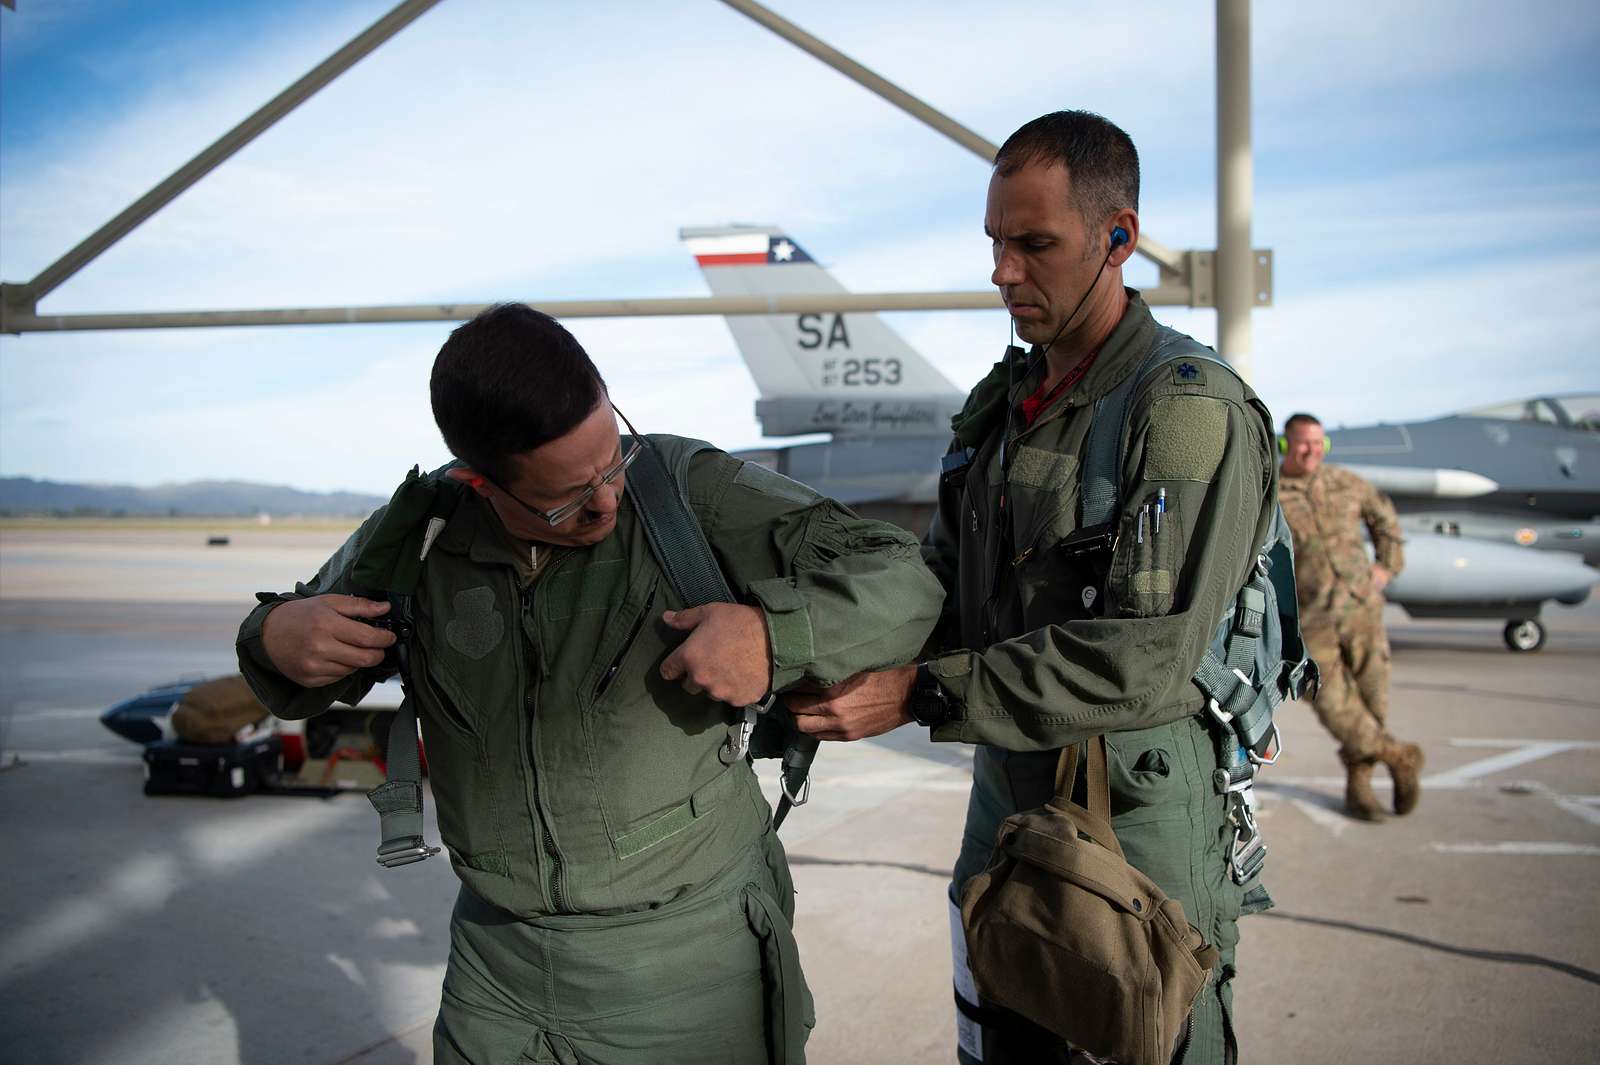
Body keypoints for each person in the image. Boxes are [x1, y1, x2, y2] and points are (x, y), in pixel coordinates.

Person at [235, 303, 944, 1065]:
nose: (608, 501)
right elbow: (290, 663)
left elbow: (903, 574)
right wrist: (278, 635)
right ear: (479, 481)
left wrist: (775, 637)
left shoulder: (683, 491)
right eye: (571, 496)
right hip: (495, 969)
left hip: (686, 965)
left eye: (614, 459)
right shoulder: (425, 532)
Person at [787, 111, 1281, 1064]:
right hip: (1004, 813)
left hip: (1135, 836)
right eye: (995, 243)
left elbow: (1152, 658)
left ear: (1119, 238)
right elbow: (941, 588)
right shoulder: (1004, 411)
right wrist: (795, 646)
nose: (1003, 272)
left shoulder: (1182, 409)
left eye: (1034, 244)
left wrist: (924, 692)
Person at [1277, 411, 1423, 820]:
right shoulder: (1271, 494)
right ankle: (1399, 756)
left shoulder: (1347, 483)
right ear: (1287, 445)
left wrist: (1386, 566)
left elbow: (1385, 519)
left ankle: (1359, 788)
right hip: (1311, 619)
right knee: (1331, 703)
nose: (1311, 451)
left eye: (1318, 443)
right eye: (1303, 443)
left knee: (1373, 700)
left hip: (1361, 610)